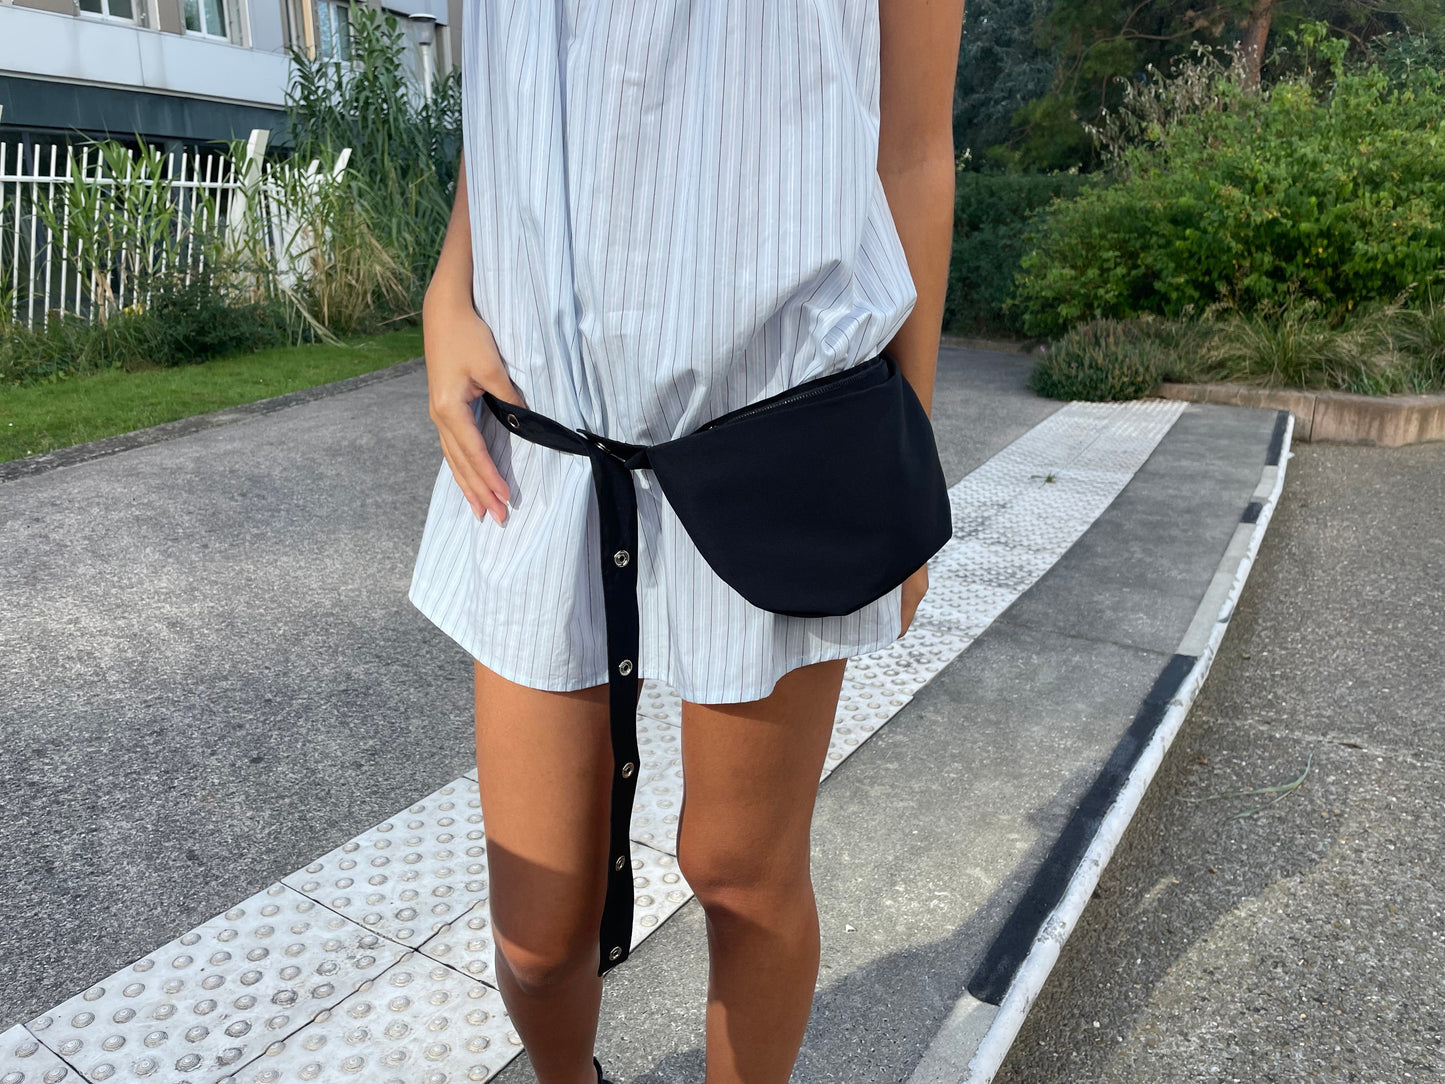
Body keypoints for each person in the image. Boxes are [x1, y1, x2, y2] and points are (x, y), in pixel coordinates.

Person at [410, 3, 965, 1081]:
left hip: (783, 427)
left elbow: (908, 143)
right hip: (539, 437)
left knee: (740, 873)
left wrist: (902, 449)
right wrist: (449, 281)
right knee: (533, 936)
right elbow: (515, 77)